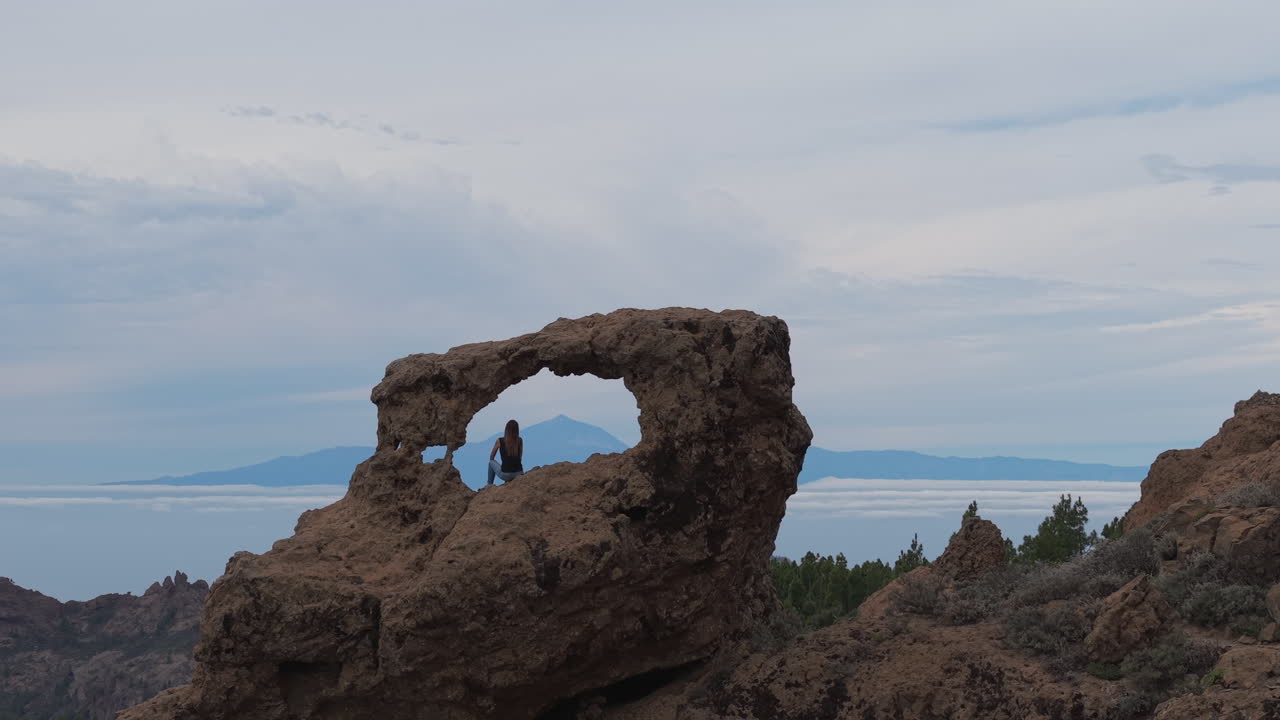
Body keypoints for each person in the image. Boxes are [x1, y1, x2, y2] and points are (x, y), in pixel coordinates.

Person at [487, 419, 524, 486]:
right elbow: (520, 457)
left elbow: (491, 457)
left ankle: (489, 485)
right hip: (519, 473)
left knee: (491, 462)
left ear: (506, 429)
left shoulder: (499, 441)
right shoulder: (520, 440)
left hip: (506, 475)